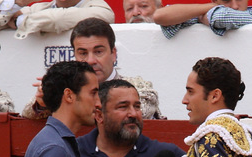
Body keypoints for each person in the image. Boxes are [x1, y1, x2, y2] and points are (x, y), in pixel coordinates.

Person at [22, 17, 163, 119]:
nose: (90, 61)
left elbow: (140, 111)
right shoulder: (67, 89)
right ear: (75, 56)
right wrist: (44, 102)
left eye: (98, 52)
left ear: (113, 54)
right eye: (83, 53)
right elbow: (27, 113)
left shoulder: (139, 87)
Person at [0, 0, 114, 40]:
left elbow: (58, 19)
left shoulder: (100, 8)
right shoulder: (39, 8)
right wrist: (18, 2)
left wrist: (20, 21)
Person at [153, 0, 252, 38]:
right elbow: (160, 16)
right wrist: (210, 8)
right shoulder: (206, 13)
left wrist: (203, 16)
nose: (234, 6)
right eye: (226, 0)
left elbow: (221, 18)